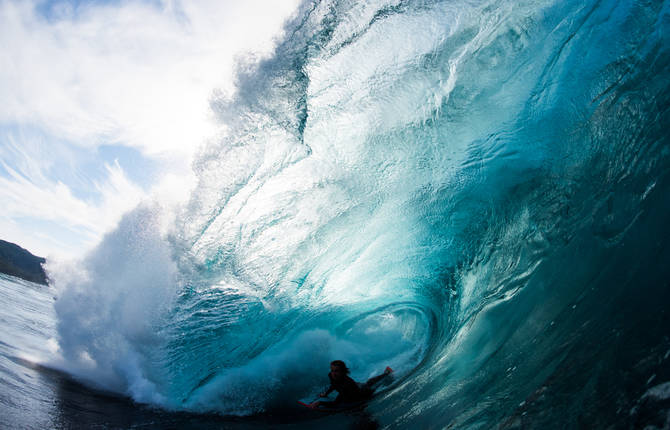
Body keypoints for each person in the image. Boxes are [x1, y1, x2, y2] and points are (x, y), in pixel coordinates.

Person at [311, 360, 393, 408]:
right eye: (332, 370)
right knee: (368, 383)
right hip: (355, 387)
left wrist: (320, 403)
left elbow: (336, 403)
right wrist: (326, 394)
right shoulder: (331, 375)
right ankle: (386, 373)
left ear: (342, 372)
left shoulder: (347, 385)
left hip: (362, 393)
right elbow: (334, 385)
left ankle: (386, 374)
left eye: (336, 371)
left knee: (371, 386)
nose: (333, 373)